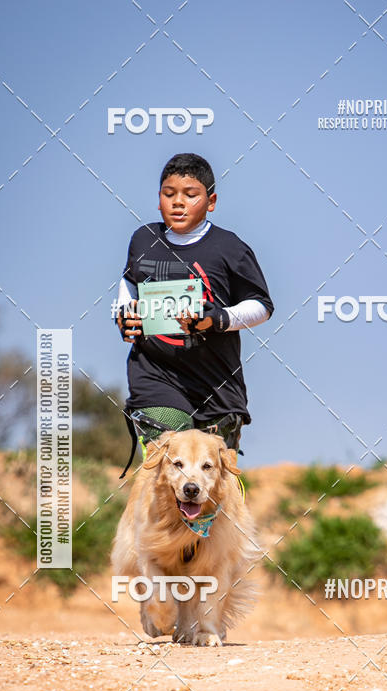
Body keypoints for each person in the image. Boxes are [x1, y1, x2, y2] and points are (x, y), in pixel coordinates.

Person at [115, 153, 273, 476]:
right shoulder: (143, 239)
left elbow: (262, 306)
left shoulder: (230, 248)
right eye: (168, 194)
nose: (178, 203)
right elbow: (129, 282)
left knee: (211, 484)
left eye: (190, 195)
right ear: (158, 198)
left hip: (217, 384)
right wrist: (122, 314)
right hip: (155, 376)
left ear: (211, 201)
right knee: (166, 474)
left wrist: (217, 319)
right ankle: (150, 527)